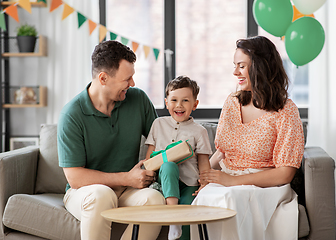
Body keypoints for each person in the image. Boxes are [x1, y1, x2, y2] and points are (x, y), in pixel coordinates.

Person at [190, 36, 305, 240]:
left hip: (265, 185)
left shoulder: (286, 111)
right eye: (235, 66)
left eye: (241, 66)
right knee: (207, 198)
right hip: (229, 179)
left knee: (230, 198)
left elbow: (285, 174)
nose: (235, 72)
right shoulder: (232, 102)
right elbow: (222, 152)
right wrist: (204, 176)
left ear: (260, 67)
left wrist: (233, 181)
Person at [57, 40, 165, 240]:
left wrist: (147, 167)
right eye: (127, 79)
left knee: (154, 199)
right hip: (85, 193)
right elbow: (75, 178)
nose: (132, 83)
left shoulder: (138, 100)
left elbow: (159, 137)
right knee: (101, 195)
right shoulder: (72, 114)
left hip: (128, 191)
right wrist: (126, 177)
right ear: (103, 78)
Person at [145, 76, 212, 240]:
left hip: (189, 182)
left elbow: (203, 162)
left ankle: (179, 229)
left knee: (189, 212)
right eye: (174, 100)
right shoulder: (158, 124)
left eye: (185, 100)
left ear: (195, 104)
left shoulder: (199, 131)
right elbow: (149, 160)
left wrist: (205, 183)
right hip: (164, 180)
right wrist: (147, 177)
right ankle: (173, 218)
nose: (179, 105)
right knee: (168, 165)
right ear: (166, 102)